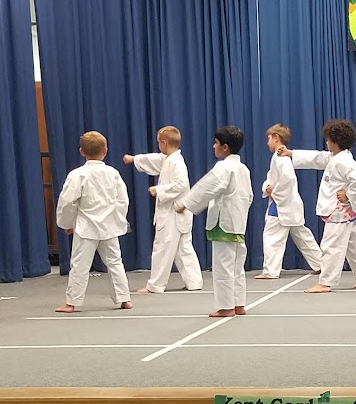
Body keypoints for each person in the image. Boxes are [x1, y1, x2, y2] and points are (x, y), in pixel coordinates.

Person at [281, 120, 356, 294]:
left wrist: (348, 194)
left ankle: (326, 282)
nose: (326, 143)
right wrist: (291, 153)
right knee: (355, 245)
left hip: (339, 212)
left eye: (328, 140)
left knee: (331, 246)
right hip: (347, 211)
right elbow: (317, 158)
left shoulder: (343, 161)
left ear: (336, 141)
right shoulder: (336, 157)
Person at [177, 125, 253, 318]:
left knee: (223, 266)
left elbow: (207, 187)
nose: (213, 146)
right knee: (236, 266)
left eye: (216, 143)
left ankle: (226, 306)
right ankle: (238, 303)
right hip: (238, 222)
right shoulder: (243, 168)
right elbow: (249, 196)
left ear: (225, 147)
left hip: (223, 223)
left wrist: (186, 202)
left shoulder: (224, 167)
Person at [55, 131, 133, 314]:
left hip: (86, 227)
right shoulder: (113, 173)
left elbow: (67, 201)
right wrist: (118, 219)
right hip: (109, 226)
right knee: (115, 262)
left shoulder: (77, 175)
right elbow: (123, 200)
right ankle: (124, 298)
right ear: (106, 150)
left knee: (80, 265)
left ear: (82, 151)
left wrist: (67, 222)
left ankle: (72, 302)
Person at [122, 126, 203, 294]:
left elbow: (181, 185)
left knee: (163, 248)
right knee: (183, 248)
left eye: (159, 142)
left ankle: (156, 285)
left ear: (164, 143)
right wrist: (134, 159)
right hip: (179, 213)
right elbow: (155, 160)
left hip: (173, 213)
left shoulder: (175, 162)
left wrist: (159, 190)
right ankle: (194, 281)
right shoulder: (170, 159)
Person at [256, 124, 322, 280]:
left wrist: (274, 192)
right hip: (289, 204)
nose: (267, 143)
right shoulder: (281, 157)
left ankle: (270, 271)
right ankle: (320, 264)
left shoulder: (280, 157)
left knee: (272, 237)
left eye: (269, 139)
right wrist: (268, 187)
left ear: (276, 138)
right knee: (303, 236)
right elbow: (272, 178)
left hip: (281, 206)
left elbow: (289, 179)